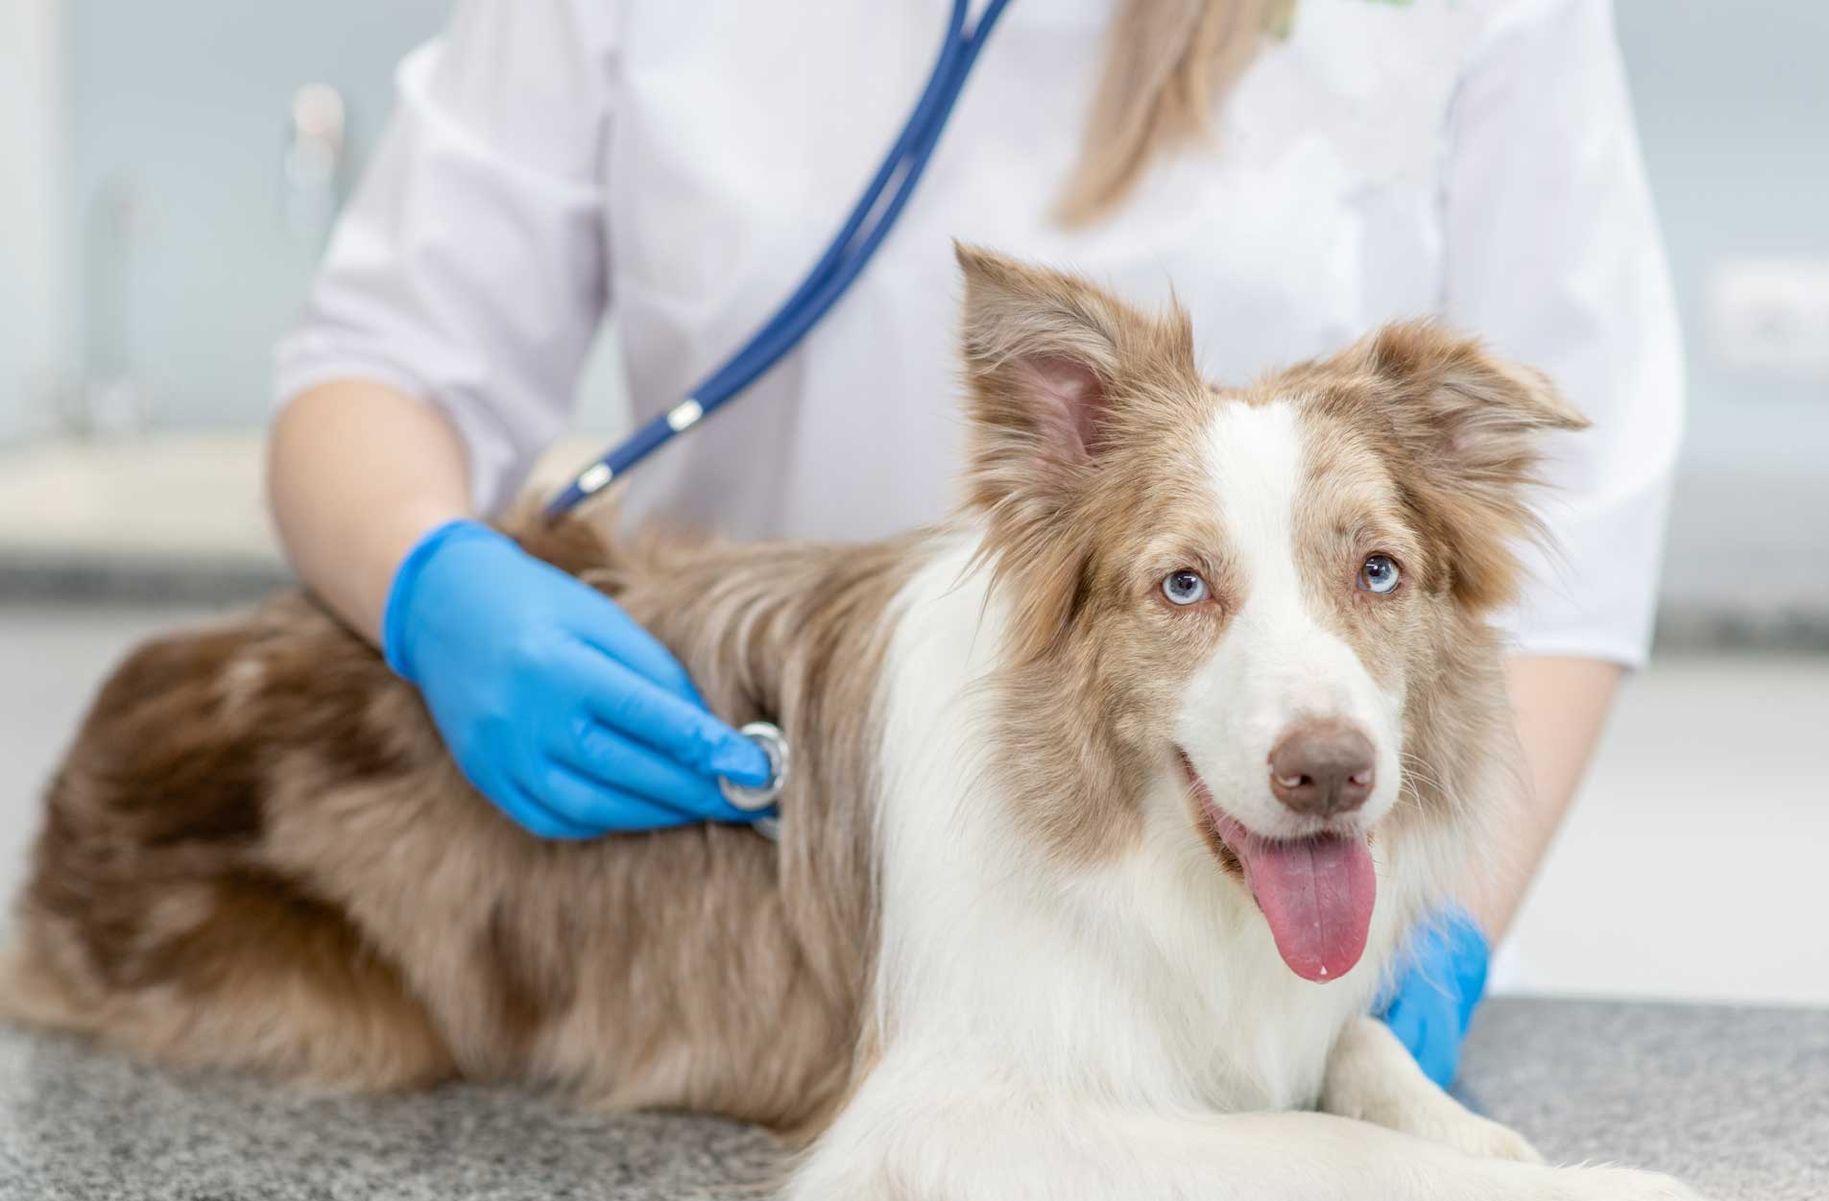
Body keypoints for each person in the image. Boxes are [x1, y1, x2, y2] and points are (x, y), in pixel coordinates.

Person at [269, 0, 1680, 1088]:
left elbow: (1583, 502)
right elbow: (382, 359)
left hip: (1290, 901)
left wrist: (1427, 945)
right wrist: (426, 580)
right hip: (764, 851)